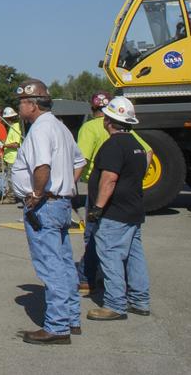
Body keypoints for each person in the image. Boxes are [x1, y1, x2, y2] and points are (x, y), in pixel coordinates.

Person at [9, 79, 86, 345]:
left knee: (51, 267)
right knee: (65, 265)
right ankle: (71, 319)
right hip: (61, 203)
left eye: (20, 102)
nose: (18, 107)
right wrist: (65, 187)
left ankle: (56, 327)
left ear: (32, 104)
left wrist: (38, 194)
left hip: (46, 206)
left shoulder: (41, 129)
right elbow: (79, 161)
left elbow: (42, 167)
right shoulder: (60, 127)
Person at [76, 92, 152, 293]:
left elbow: (82, 161)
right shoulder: (131, 136)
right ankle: (139, 297)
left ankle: (96, 285)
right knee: (133, 250)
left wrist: (72, 190)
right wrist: (134, 178)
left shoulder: (93, 131)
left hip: (104, 196)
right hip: (131, 198)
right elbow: (148, 153)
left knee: (98, 241)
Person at [0, 111, 23, 204]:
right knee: (10, 178)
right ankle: (11, 195)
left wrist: (4, 145)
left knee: (11, 179)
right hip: (9, 157)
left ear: (8, 119)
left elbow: (16, 144)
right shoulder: (13, 127)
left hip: (13, 158)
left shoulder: (15, 127)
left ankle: (12, 197)